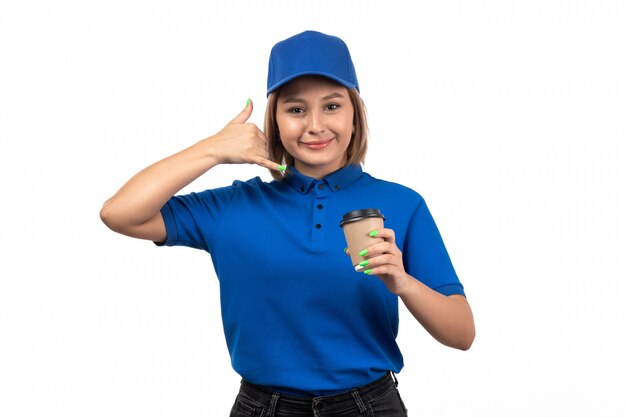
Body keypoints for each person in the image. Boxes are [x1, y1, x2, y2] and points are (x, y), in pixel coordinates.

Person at [101, 30, 475, 417]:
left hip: (370, 407)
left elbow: (461, 333)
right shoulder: (234, 205)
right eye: (296, 110)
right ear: (275, 121)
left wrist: (403, 281)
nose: (315, 125)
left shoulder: (402, 203)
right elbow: (119, 213)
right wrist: (211, 149)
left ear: (354, 114)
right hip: (263, 407)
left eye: (332, 106)